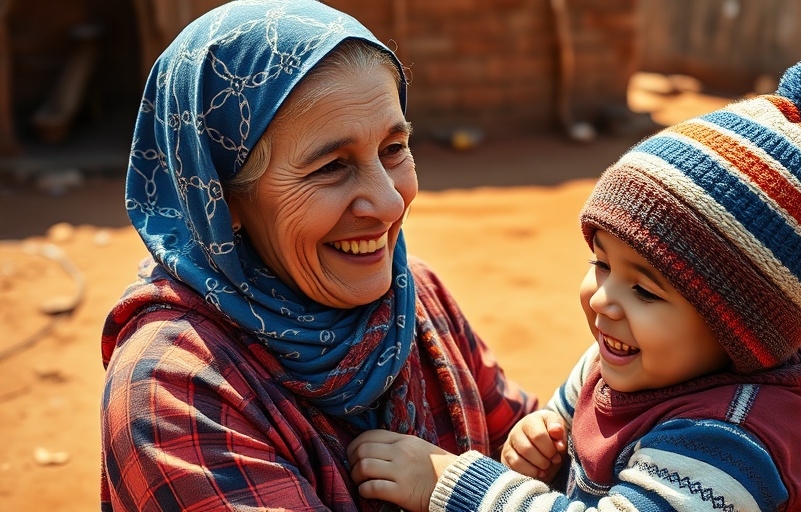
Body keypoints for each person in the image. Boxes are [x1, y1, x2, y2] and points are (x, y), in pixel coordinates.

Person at [347, 56, 801, 511]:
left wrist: (452, 486)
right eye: (601, 263)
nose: (603, 299)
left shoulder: (733, 442)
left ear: (743, 329)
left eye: (646, 290)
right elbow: (562, 431)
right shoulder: (615, 363)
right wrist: (540, 443)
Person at [99, 1, 537, 510]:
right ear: (221, 199)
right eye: (331, 166)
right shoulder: (177, 391)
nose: (390, 203)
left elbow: (534, 451)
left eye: (394, 148)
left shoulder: (416, 299)